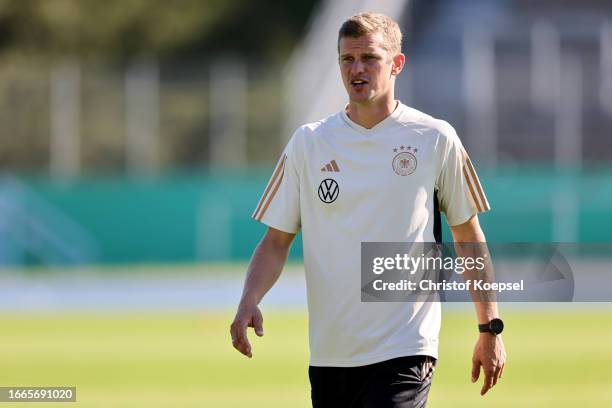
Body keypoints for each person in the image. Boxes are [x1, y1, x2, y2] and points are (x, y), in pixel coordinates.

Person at [230, 12, 506, 407]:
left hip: (406, 348)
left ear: (396, 64)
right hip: (330, 355)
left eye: (370, 58)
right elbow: (276, 240)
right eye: (347, 59)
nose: (357, 69)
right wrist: (248, 301)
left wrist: (489, 328)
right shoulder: (309, 143)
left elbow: (468, 236)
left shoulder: (435, 138)